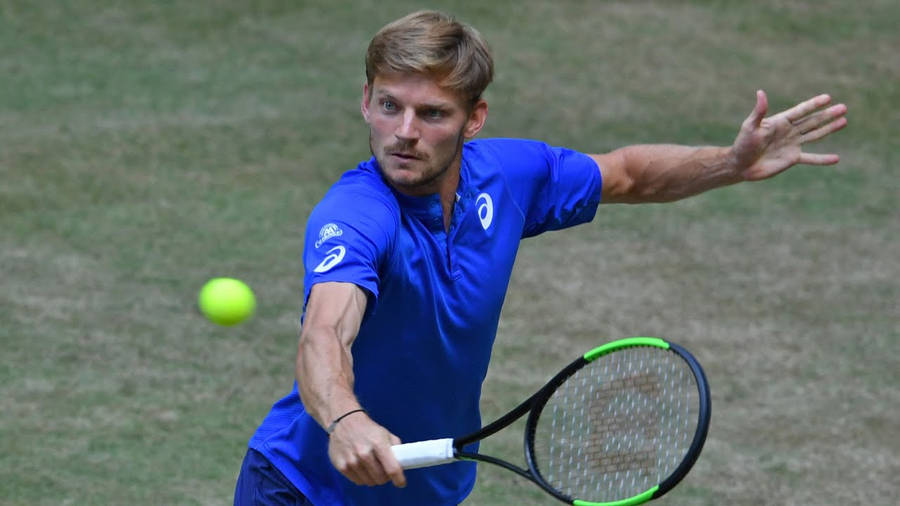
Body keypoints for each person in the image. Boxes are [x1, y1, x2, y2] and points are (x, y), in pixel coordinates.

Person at [234, 9, 847, 506]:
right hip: (301, 489)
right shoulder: (355, 215)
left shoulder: (509, 176)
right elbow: (324, 332)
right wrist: (344, 420)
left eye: (432, 113)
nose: (404, 131)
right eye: (390, 105)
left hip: (425, 490)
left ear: (473, 119)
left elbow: (627, 173)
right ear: (366, 101)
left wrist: (730, 164)